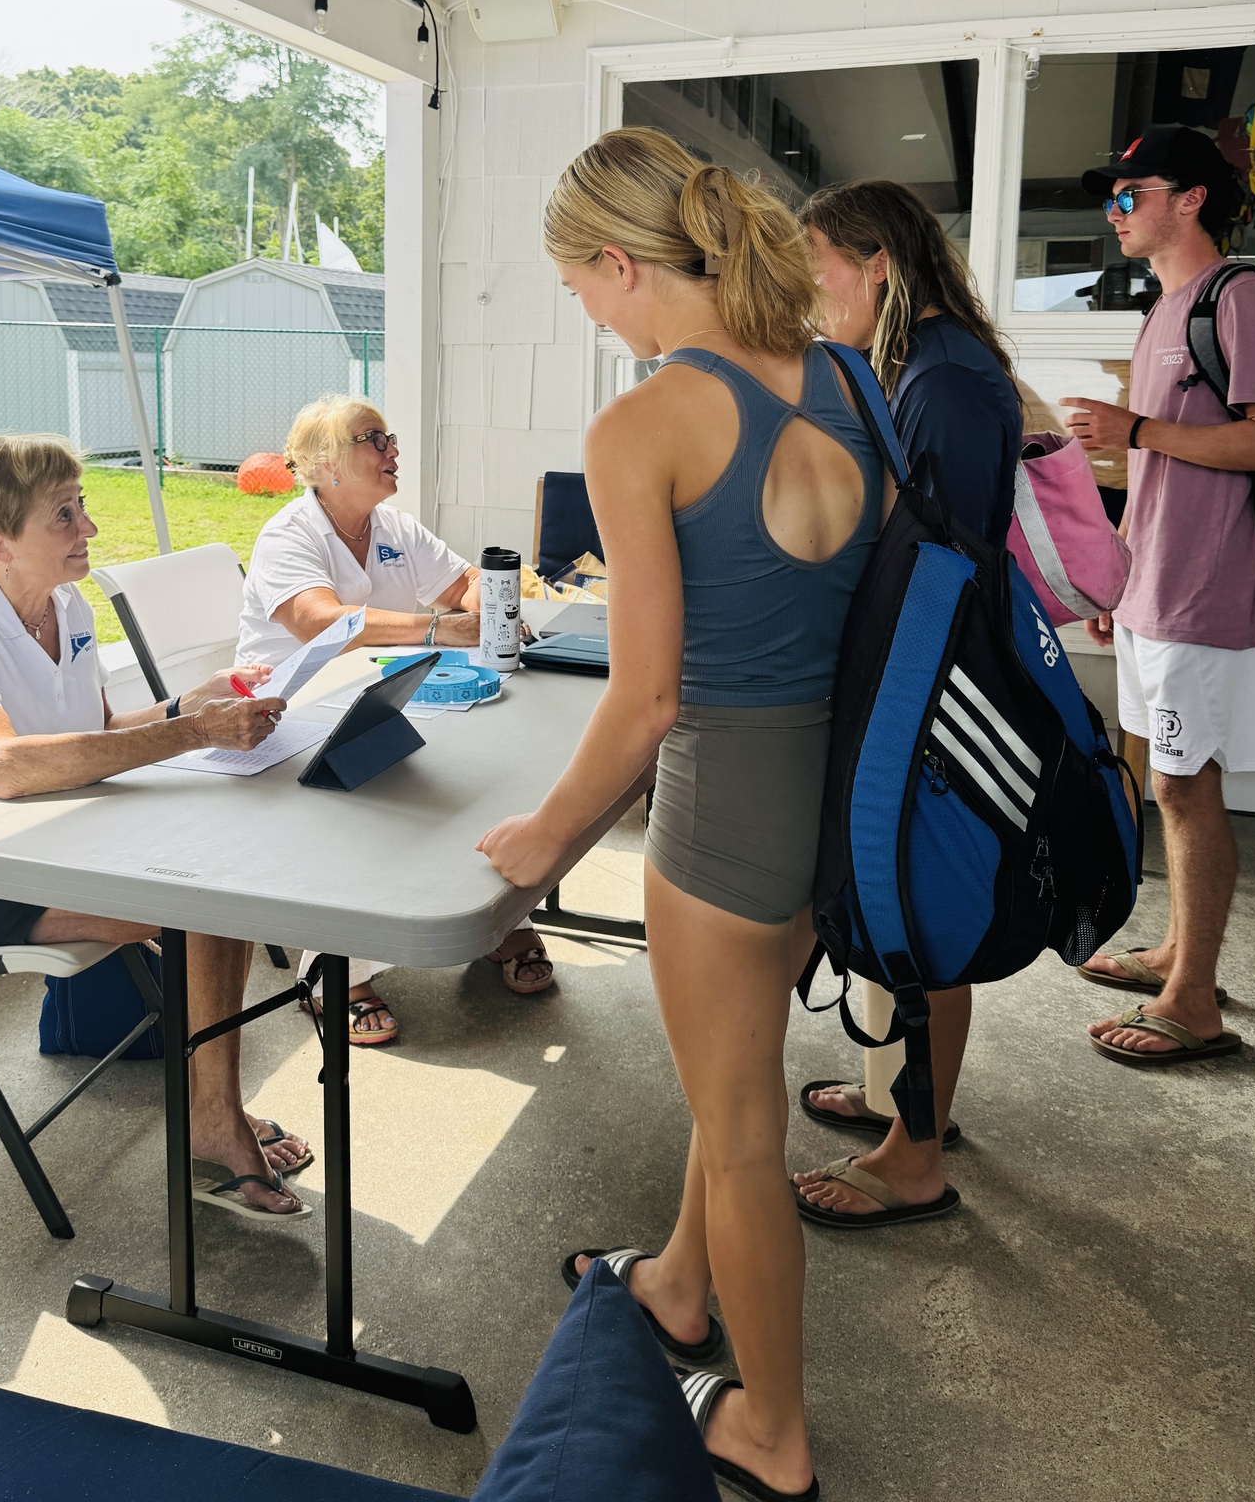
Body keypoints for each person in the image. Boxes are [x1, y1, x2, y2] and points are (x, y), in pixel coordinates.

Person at [478, 129, 890, 1502]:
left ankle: (773, 1428)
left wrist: (548, 840)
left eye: (578, 288)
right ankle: (669, 1284)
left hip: (721, 806)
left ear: (619, 262)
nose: (586, 314)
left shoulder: (643, 421)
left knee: (746, 1127)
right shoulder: (841, 374)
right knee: (737, 1082)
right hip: (833, 789)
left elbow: (648, 699)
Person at [0, 434, 308, 1221]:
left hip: (57, 841)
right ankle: (215, 1123)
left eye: (81, 507)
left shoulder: (65, 606)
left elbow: (102, 727)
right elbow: (3, 765)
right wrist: (191, 735)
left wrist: (190, 707)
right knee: (208, 902)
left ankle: (213, 1113)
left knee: (227, 879)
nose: (87, 528)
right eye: (63, 516)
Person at [790, 180, 1022, 1229]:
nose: (807, 292)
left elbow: (946, 564)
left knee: (916, 904)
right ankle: (896, 1102)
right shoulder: (925, 367)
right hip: (918, 670)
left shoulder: (948, 380)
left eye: (818, 268)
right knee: (890, 902)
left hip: (935, 682)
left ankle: (917, 1150)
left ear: (875, 261)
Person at [1060, 127, 1255, 1066]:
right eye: (1111, 198)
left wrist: (1138, 427)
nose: (1113, 212)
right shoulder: (1166, 309)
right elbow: (1158, 471)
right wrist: (1114, 577)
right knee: (1172, 785)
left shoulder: (1243, 299)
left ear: (1191, 198)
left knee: (1181, 784)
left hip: (1209, 591)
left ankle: (1194, 1000)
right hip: (1154, 590)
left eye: (1129, 196)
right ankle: (1175, 953)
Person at [238, 395, 553, 1044]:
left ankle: (495, 920)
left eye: (390, 437)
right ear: (324, 465)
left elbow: (462, 578)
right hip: (286, 722)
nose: (391, 449)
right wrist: (442, 625)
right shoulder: (289, 535)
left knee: (490, 767)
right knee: (394, 781)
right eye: (371, 438)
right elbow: (321, 623)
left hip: (372, 706)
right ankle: (336, 969)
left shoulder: (393, 529)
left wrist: (483, 603)